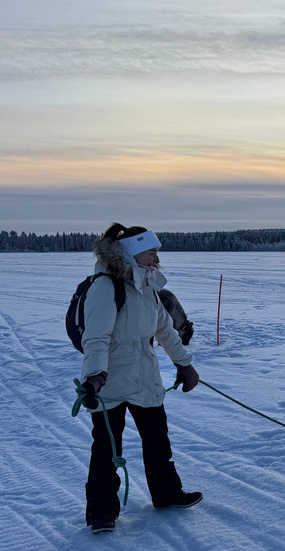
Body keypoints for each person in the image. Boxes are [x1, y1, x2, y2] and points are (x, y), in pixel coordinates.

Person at [78, 223, 202, 534]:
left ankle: (166, 494)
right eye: (152, 252)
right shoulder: (105, 288)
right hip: (110, 379)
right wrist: (94, 376)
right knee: (107, 447)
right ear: (133, 252)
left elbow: (166, 332)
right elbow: (96, 338)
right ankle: (102, 512)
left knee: (158, 439)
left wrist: (184, 365)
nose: (157, 258)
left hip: (145, 377)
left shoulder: (148, 288)